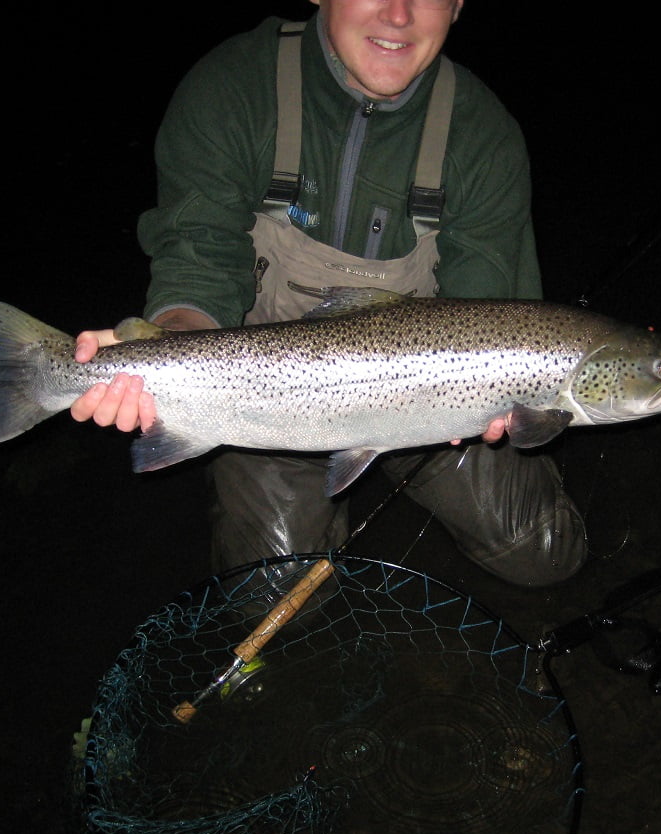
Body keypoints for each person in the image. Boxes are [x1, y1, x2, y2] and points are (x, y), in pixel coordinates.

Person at [70, 0, 586, 587]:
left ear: (459, 5)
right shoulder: (234, 86)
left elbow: (490, 308)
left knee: (544, 553)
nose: (399, 14)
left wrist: (502, 414)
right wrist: (165, 352)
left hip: (438, 402)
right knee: (272, 596)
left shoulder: (483, 135)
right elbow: (198, 253)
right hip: (267, 399)